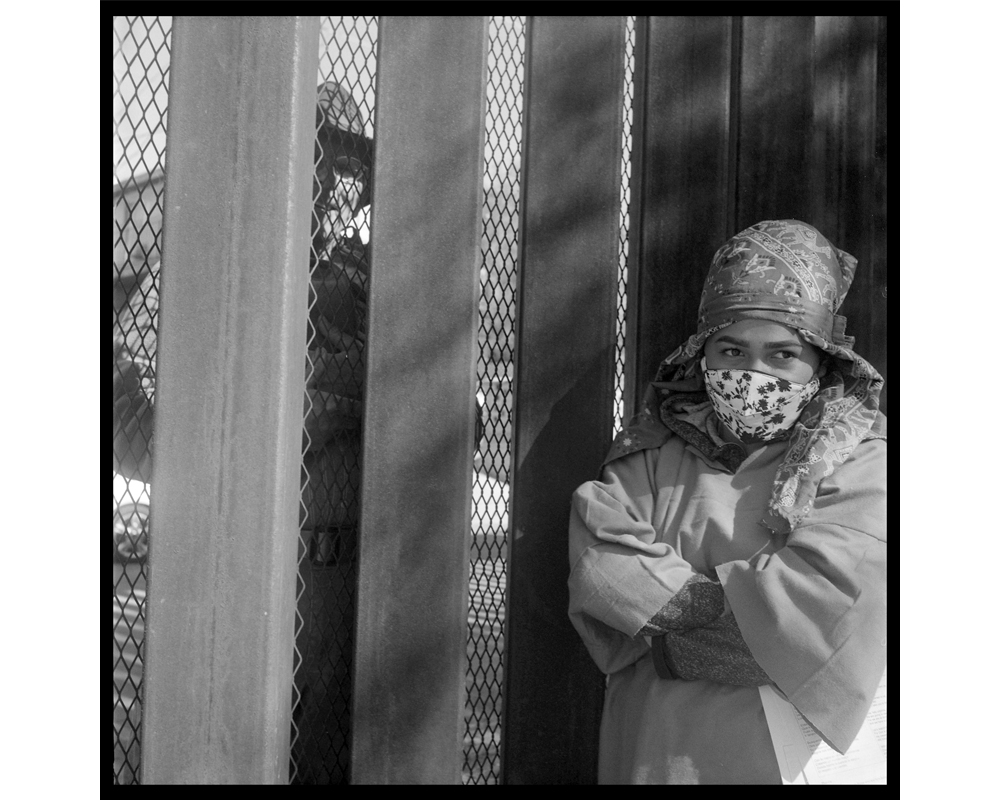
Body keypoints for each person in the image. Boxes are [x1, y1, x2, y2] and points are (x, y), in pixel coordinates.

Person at [567, 219, 887, 784]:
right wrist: (752, 613)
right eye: (732, 348)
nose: (753, 373)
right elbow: (600, 571)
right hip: (654, 753)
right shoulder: (649, 448)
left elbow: (831, 612)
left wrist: (660, 633)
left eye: (783, 354)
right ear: (702, 356)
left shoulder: (862, 460)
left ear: (822, 363)